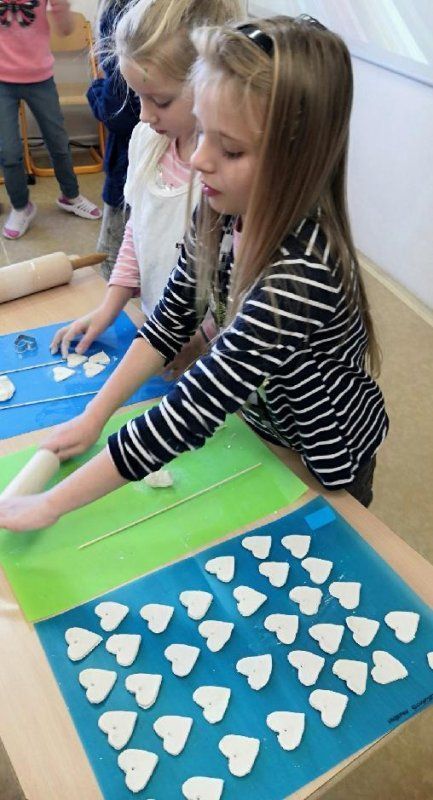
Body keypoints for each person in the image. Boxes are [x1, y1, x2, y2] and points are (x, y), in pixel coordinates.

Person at [0, 14, 389, 534]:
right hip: (261, 426)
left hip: (324, 453)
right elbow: (169, 321)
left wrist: (52, 504)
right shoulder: (221, 207)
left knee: (340, 535)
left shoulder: (301, 277)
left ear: (297, 159)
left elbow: (195, 406)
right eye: (202, 131)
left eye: (230, 148)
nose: (200, 158)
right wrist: (93, 417)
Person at [50, 0, 242, 360]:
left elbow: (241, 290)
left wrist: (202, 339)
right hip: (158, 331)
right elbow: (136, 232)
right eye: (137, 95)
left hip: (219, 354)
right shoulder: (146, 139)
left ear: (212, 84)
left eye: (161, 101)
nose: (144, 114)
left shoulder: (228, 177)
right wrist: (108, 309)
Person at [0, 0, 101, 240]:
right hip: (2, 81)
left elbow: (65, 29)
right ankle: (21, 207)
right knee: (9, 152)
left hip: (40, 77)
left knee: (58, 142)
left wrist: (61, 9)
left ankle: (71, 196)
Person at [86, 0, 140, 280]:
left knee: (114, 257)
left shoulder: (123, 15)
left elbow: (115, 111)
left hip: (126, 173)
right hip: (129, 173)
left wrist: (95, 89)